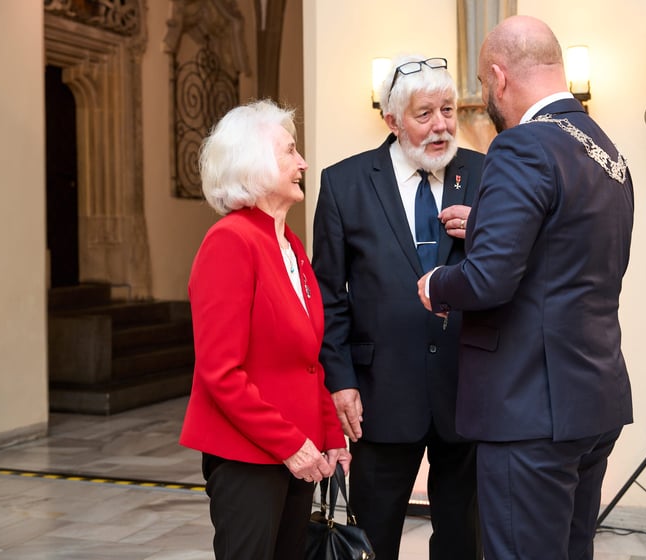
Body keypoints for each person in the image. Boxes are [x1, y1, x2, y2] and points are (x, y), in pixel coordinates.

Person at [418, 16, 634, 560]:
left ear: (498, 77)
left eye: (485, 87)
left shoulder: (522, 147)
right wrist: (490, 220)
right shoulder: (604, 150)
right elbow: (570, 254)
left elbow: (488, 280)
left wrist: (438, 283)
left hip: (528, 407)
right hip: (591, 395)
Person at [312, 55, 484, 560]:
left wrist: (484, 231)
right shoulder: (344, 183)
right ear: (391, 120)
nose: (441, 126)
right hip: (380, 392)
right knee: (375, 538)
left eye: (448, 110)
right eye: (425, 113)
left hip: (467, 388)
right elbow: (328, 294)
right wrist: (340, 380)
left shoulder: (482, 172)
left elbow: (511, 268)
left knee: (464, 539)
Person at [179, 99, 351, 560]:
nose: (303, 162)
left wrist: (330, 435)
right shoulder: (231, 241)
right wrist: (292, 444)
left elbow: (306, 361)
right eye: (290, 151)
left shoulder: (288, 243)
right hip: (246, 457)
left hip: (295, 453)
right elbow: (220, 372)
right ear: (252, 165)